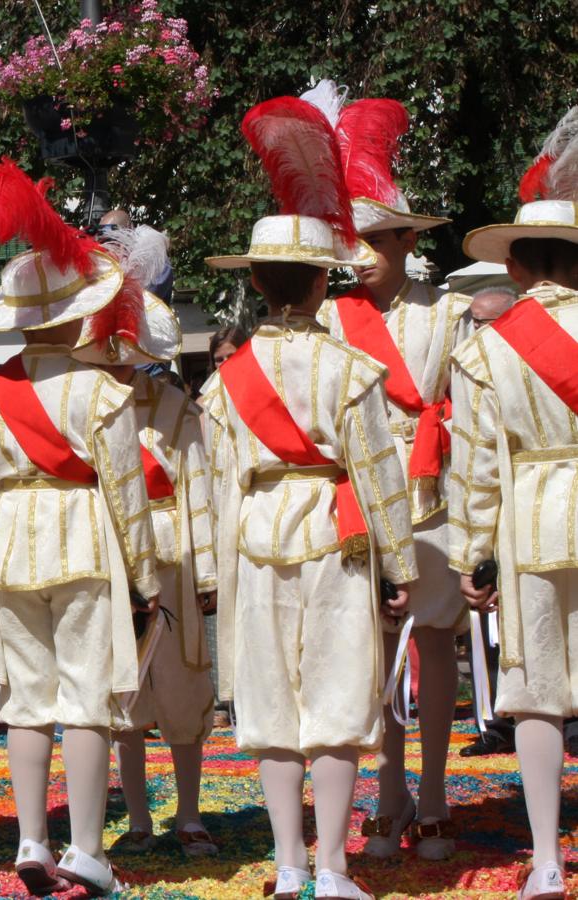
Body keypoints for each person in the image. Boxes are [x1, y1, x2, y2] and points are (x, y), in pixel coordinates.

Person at [200, 95, 417, 900]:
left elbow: (213, 483)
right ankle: (332, 867)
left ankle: (289, 864)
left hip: (256, 538)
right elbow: (379, 477)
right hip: (336, 535)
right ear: (326, 283)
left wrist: (211, 569)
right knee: (334, 701)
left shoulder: (224, 383)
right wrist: (400, 568)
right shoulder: (353, 372)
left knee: (271, 705)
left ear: (255, 281)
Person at [0, 160, 159, 896]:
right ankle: (83, 847)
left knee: (27, 702)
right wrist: (147, 579)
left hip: (8, 546)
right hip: (80, 538)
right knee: (85, 698)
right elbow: (127, 499)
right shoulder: (101, 392)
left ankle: (31, 840)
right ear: (80, 314)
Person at [305, 82, 470, 860]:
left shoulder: (446, 315)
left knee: (434, 642)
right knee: (369, 654)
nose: (362, 257)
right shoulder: (332, 320)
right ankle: (391, 792)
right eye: (353, 242)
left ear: (406, 241)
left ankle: (433, 793)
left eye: (377, 241)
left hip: (432, 494)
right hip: (358, 501)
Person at [449, 105, 578, 900]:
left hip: (531, 516)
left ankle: (544, 860)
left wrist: (473, 555)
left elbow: (474, 472)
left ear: (522, 267)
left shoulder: (487, 347)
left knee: (534, 691)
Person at [72, 225, 220, 857]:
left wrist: (208, 575)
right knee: (122, 703)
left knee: (184, 691)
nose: (121, 364)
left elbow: (201, 490)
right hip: (110, 561)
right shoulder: (83, 407)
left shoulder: (180, 409)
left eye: (130, 352)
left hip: (177, 560)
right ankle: (136, 820)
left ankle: (188, 814)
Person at [457, 287, 519, 759]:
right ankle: (494, 719)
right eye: (473, 321)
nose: (478, 330)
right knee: (486, 626)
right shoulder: (466, 365)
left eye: (487, 321)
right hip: (473, 498)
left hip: (520, 500)